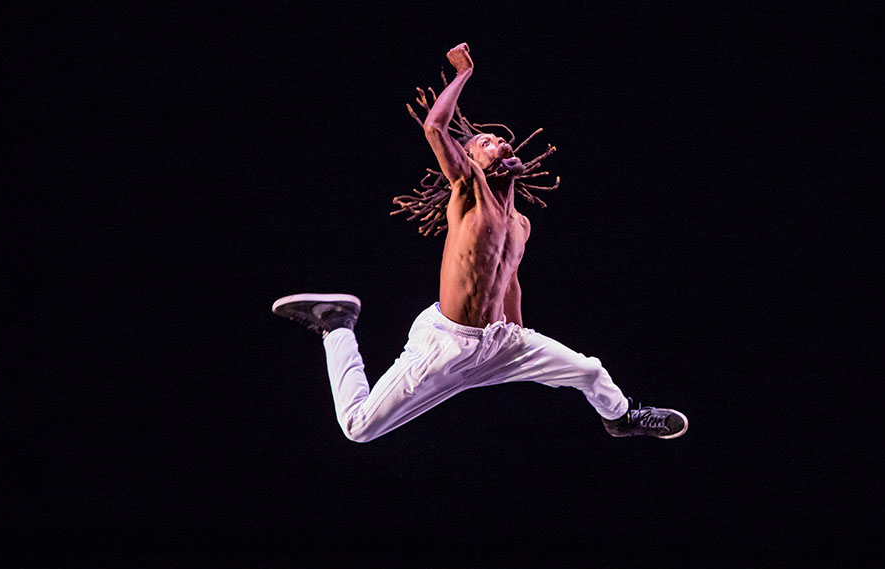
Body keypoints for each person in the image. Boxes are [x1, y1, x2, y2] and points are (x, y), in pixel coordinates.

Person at [273, 43, 687, 443]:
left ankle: (622, 418)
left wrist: (520, 336)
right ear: (470, 162)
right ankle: (337, 324)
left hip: (500, 342)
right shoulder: (471, 193)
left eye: (499, 139)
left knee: (589, 371)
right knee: (359, 428)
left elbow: (508, 279)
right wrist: (464, 74)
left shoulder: (520, 224)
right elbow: (435, 127)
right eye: (484, 142)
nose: (500, 143)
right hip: (448, 344)